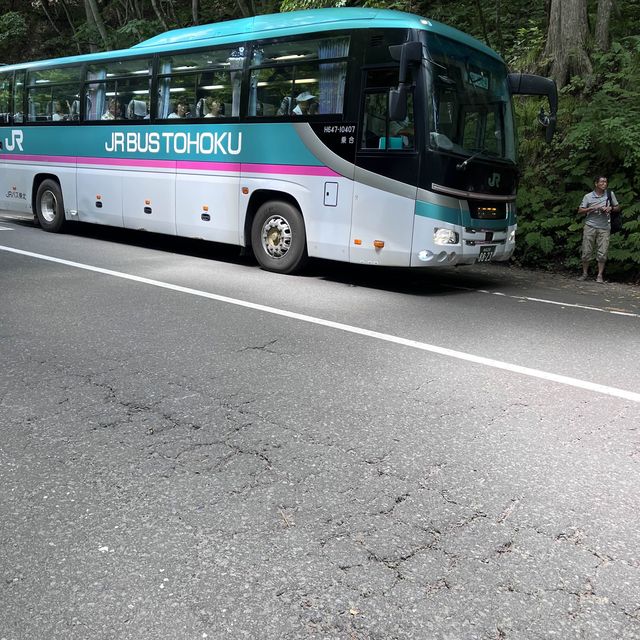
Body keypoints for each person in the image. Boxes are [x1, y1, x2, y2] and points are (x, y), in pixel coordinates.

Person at [577, 175, 620, 283]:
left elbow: (618, 207)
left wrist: (610, 208)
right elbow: (580, 210)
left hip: (605, 227)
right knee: (586, 251)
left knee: (602, 252)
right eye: (602, 182)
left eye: (606, 182)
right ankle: (584, 273)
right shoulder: (588, 196)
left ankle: (600, 275)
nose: (604, 184)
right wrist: (591, 208)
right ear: (596, 183)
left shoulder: (610, 194)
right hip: (590, 226)